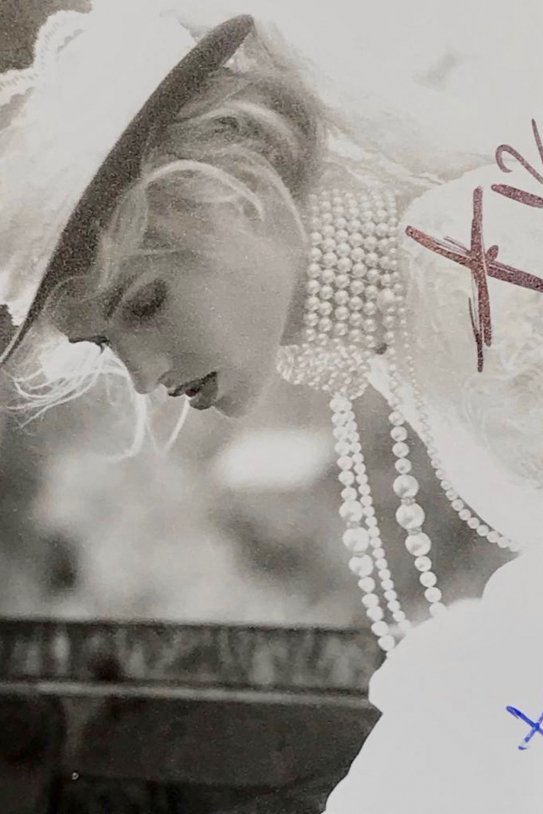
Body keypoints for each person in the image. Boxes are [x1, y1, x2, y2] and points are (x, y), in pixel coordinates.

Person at [2, 1, 543, 811]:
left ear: (241, 188)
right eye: (106, 344)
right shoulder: (408, 322)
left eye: (146, 302)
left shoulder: (483, 261)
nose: (145, 376)